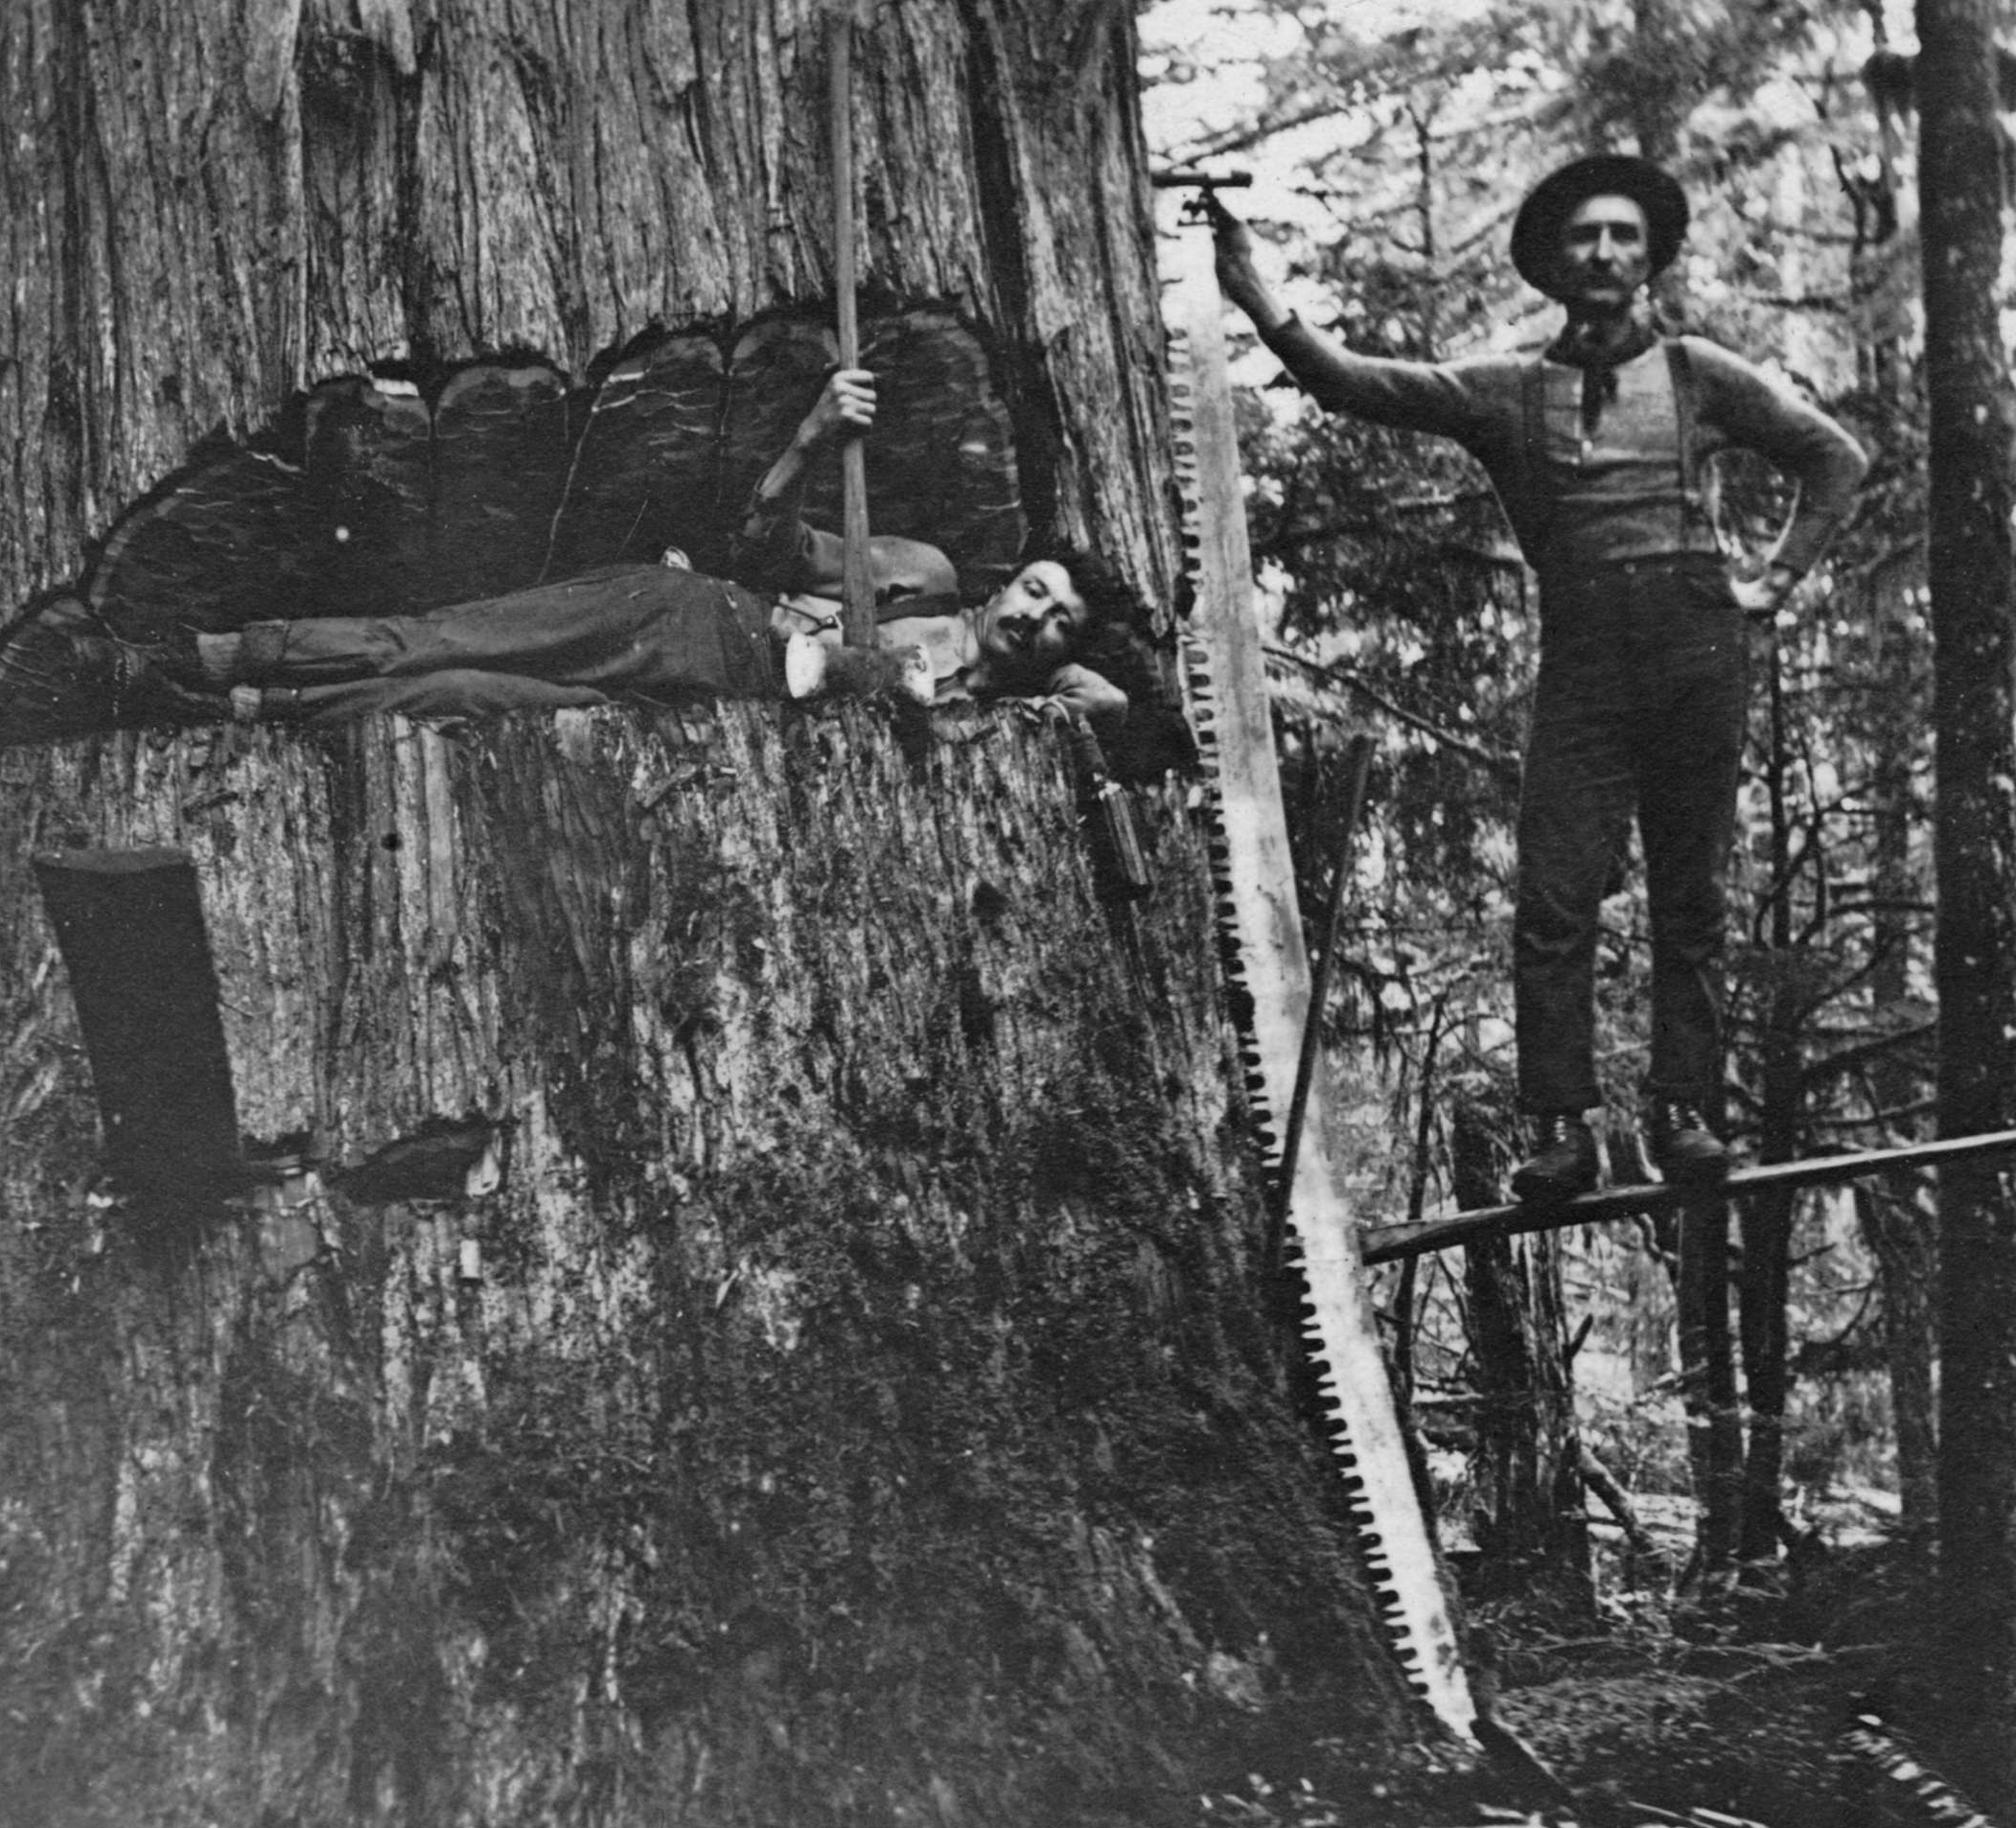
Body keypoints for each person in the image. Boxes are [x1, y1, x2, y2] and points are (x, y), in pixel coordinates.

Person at [1208, 156, 1867, 1201]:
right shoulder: (1506, 391)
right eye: (1585, 237)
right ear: (1553, 263)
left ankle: (1685, 1111)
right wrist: (1261, 297)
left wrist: (1773, 578)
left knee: (1690, 890)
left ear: (1649, 257)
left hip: (1700, 645)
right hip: (1588, 657)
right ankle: (1563, 1129)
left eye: (1624, 235)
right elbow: (1353, 381)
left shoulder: (1700, 372)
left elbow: (1834, 458)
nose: (1606, 252)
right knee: (1556, 894)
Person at [129, 372, 1141, 734]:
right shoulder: (923, 579)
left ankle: (253, 711)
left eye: (1058, 625)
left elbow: (1125, 713)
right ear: (1010, 576)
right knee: (441, 637)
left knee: (466, 693)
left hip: (687, 715)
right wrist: (812, 436)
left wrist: (1105, 696)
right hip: (687, 619)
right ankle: (210, 657)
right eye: (1037, 590)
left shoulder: (997, 719)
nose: (1033, 617)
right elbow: (762, 542)